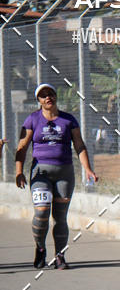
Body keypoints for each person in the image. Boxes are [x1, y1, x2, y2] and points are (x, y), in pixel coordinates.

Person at [15, 83, 97, 270]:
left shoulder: (68, 120)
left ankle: (60, 255)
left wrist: (88, 169)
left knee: (60, 217)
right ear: (39, 100)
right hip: (40, 173)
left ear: (55, 96)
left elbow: (79, 145)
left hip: (64, 173)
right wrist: (19, 171)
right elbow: (22, 147)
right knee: (42, 212)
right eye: (43, 96)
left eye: (50, 94)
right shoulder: (32, 120)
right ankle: (40, 248)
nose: (47, 98)